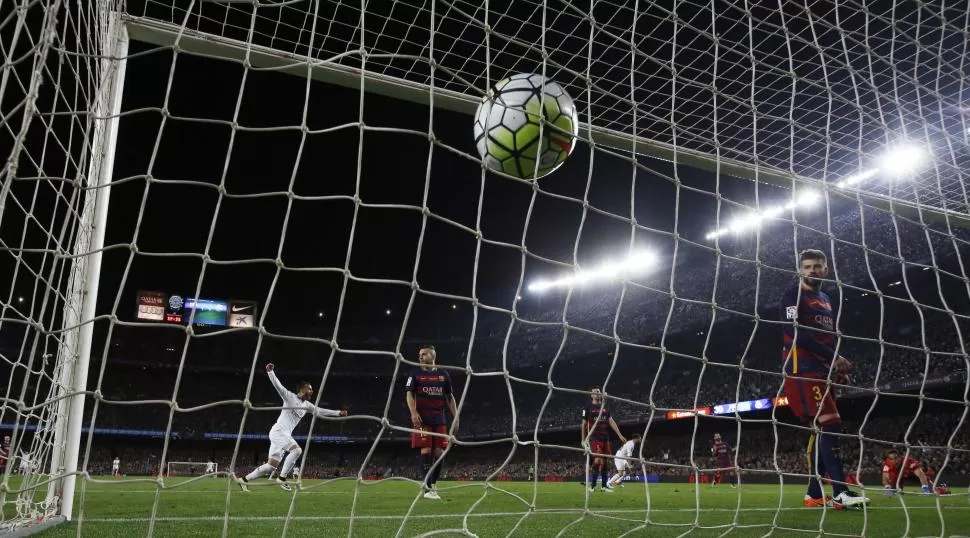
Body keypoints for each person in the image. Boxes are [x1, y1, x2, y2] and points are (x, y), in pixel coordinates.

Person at [781, 249, 868, 509]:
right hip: (801, 369)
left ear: (826, 270)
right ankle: (840, 492)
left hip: (822, 370)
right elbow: (794, 332)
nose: (812, 271)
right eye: (807, 266)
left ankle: (814, 493)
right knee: (830, 423)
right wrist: (834, 357)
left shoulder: (827, 298)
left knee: (823, 428)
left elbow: (824, 337)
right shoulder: (792, 295)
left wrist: (834, 365)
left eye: (817, 266)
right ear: (799, 270)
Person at [234, 363, 347, 492]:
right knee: (297, 451)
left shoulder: (308, 406)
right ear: (302, 389)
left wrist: (338, 413)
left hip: (284, 435)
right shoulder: (289, 397)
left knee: (271, 466)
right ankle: (282, 479)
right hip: (278, 431)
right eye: (309, 389)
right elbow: (278, 386)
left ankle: (243, 480)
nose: (312, 391)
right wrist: (270, 372)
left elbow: (320, 411)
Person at [405, 345, 459, 500]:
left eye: (424, 354)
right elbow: (409, 394)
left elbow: (449, 397)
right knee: (426, 450)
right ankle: (427, 489)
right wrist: (413, 413)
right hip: (422, 418)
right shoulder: (415, 373)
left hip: (439, 418)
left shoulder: (443, 374)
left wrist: (456, 416)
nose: (420, 357)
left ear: (433, 355)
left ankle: (433, 484)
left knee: (439, 453)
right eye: (419, 354)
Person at [581, 386, 627, 492]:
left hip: (605, 437)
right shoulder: (588, 406)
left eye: (598, 392)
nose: (597, 393)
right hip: (594, 437)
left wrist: (619, 435)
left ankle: (603, 486)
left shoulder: (604, 406)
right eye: (595, 392)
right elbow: (583, 424)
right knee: (597, 461)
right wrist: (583, 440)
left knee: (606, 462)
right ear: (591, 395)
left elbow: (611, 421)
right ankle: (592, 486)